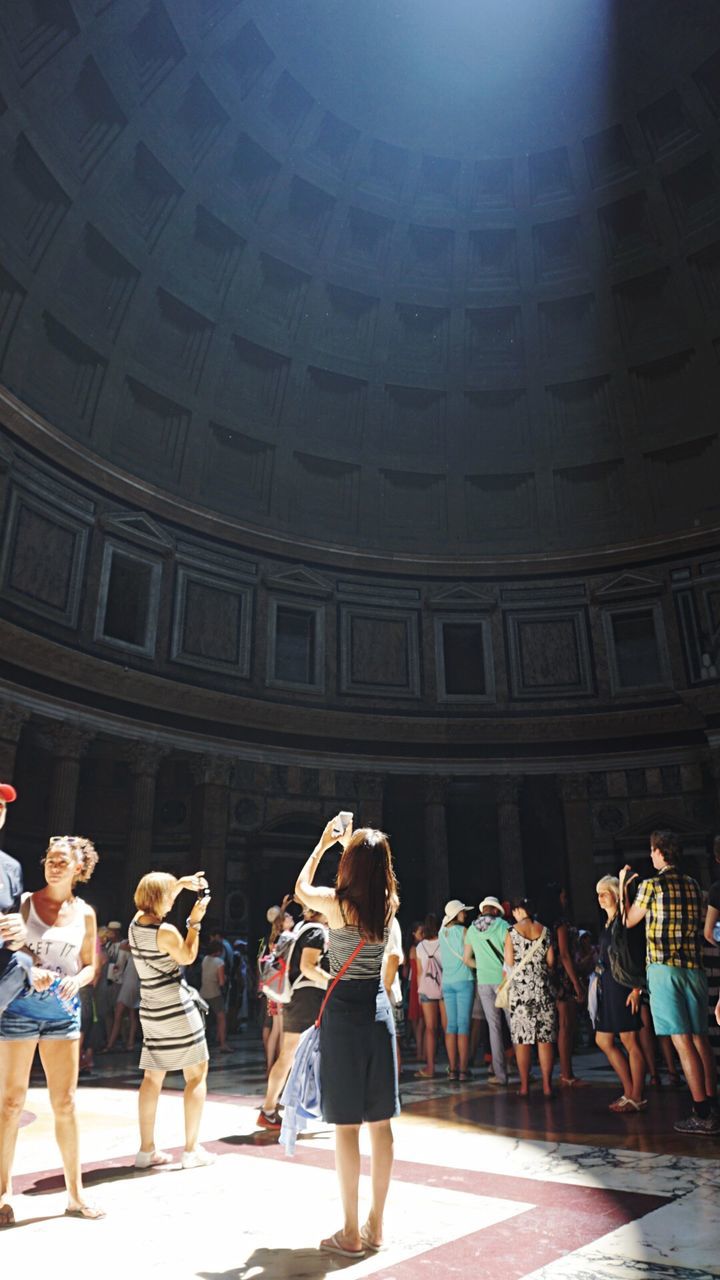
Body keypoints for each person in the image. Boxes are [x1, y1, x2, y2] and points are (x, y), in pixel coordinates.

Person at [294, 818, 399, 1258]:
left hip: (342, 1015)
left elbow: (301, 888)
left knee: (346, 1128)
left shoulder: (337, 906)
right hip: (378, 1011)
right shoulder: (390, 903)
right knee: (381, 1125)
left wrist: (322, 844)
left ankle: (352, 1231)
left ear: (350, 866)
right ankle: (377, 1225)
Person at [0, 834, 104, 1225]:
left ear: (79, 868)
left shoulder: (86, 913)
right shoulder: (25, 902)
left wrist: (80, 980)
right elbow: (9, 946)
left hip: (63, 1011)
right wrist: (31, 967)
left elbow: (91, 963)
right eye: (50, 858)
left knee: (66, 1104)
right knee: (10, 1104)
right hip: (20, 1008)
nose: (54, 865)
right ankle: (2, 1193)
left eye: (62, 860)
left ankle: (75, 1195)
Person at [622, 830, 719, 1136]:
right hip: (694, 968)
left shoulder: (651, 885)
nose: (650, 856)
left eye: (652, 851)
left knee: (681, 1039)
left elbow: (629, 920)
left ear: (661, 852)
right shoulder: (693, 884)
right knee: (700, 1037)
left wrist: (626, 886)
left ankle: (700, 1111)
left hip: (664, 969)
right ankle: (713, 1103)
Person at [128, 869, 214, 1169]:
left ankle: (146, 1150)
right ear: (159, 898)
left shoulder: (135, 925)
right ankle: (191, 1151)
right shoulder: (166, 932)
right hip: (176, 1007)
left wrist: (179, 884)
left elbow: (159, 897)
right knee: (196, 1074)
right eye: (169, 896)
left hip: (151, 1008)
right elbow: (188, 956)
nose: (171, 902)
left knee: (152, 1078)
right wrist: (195, 922)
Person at [257, 906, 329, 1130]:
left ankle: (270, 1109)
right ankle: (279, 1109)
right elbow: (308, 967)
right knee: (299, 1055)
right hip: (307, 999)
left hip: (296, 998)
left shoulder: (301, 928)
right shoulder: (316, 932)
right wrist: (334, 982)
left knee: (290, 1055)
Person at [593, 877, 645, 1113]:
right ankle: (628, 1090)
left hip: (624, 985)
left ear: (615, 895)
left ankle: (636, 1095)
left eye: (604, 892)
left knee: (629, 1041)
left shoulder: (623, 922)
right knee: (603, 1040)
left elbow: (637, 953)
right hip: (609, 984)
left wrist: (636, 989)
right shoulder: (609, 922)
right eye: (598, 893)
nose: (600, 897)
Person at [504, 897, 557, 1098]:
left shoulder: (511, 932)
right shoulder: (545, 931)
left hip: (520, 994)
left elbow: (509, 961)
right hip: (543, 990)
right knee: (544, 1039)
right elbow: (551, 961)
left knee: (523, 1040)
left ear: (519, 910)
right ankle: (546, 1086)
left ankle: (525, 1086)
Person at [538, 883, 585, 1087]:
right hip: (563, 976)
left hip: (550, 975)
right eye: (563, 897)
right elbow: (565, 955)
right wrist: (576, 983)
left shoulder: (543, 924)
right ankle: (567, 1073)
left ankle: (565, 1072)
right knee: (566, 1025)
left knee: (559, 1025)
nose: (566, 900)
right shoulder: (561, 924)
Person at [464, 895, 511, 1086]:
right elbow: (510, 956)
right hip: (504, 980)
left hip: (483, 981)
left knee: (494, 1028)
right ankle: (523, 1069)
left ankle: (500, 1075)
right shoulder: (503, 925)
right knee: (513, 1024)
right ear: (496, 910)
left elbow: (467, 959)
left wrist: (481, 966)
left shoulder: (472, 930)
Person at [0, 784, 32, 1016]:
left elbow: (11, 942)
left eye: (1, 807)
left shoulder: (11, 868)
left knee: (22, 961)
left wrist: (17, 935)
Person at [438, 899, 474, 1080]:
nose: (465, 914)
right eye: (462, 911)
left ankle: (452, 1069)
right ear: (455, 914)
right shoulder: (465, 931)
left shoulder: (441, 932)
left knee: (451, 1026)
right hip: (464, 980)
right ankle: (464, 1070)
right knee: (464, 1026)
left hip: (447, 982)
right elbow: (470, 955)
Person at [415, 913, 443, 1079]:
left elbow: (419, 973)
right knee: (448, 1029)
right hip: (443, 988)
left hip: (426, 989)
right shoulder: (443, 943)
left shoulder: (420, 947)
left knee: (430, 1028)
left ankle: (430, 1067)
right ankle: (454, 1066)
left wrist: (420, 992)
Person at [200, 939, 229, 1053]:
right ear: (218, 950)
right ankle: (223, 1044)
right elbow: (221, 982)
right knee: (221, 1018)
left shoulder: (204, 959)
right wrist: (225, 978)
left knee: (205, 1020)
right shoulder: (219, 962)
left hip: (203, 993)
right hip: (215, 993)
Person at [404, 921, 423, 1060]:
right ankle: (420, 1049)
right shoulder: (414, 949)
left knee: (418, 1019)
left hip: (416, 984)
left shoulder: (413, 948)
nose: (422, 935)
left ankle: (420, 1049)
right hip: (416, 985)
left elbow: (406, 972)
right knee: (418, 1018)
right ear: (414, 934)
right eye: (420, 932)